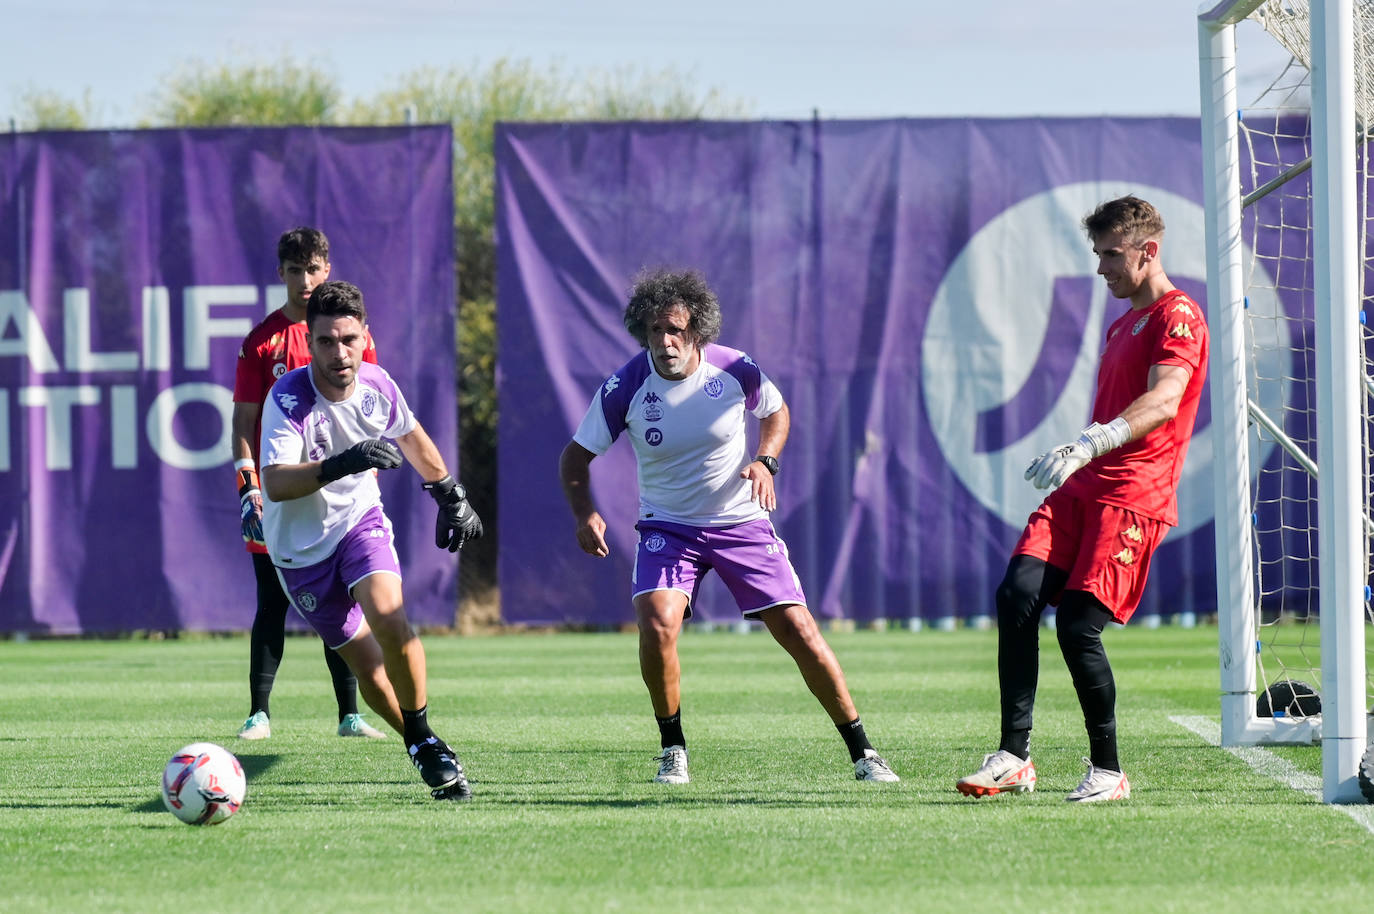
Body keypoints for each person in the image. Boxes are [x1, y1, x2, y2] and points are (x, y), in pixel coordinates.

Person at [558, 268, 898, 785]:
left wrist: (766, 461)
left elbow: (777, 413)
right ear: (643, 333)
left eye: (677, 330)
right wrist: (585, 513)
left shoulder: (734, 368)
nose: (667, 342)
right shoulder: (626, 386)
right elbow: (573, 459)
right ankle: (673, 749)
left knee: (799, 629)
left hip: (739, 520)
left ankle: (863, 751)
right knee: (657, 624)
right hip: (668, 527)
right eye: (656, 331)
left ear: (697, 331)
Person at [955, 195, 1209, 802]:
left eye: (1112, 255)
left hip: (1132, 492)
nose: (1102, 269)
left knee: (1076, 626)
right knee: (1016, 595)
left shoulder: (1180, 316)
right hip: (1086, 483)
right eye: (1097, 255)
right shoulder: (1124, 321)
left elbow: (1167, 398)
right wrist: (1083, 452)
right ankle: (1013, 756)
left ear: (1149, 251)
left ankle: (1108, 771)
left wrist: (1093, 439)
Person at [258, 279, 484, 800]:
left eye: (349, 340)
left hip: (359, 522)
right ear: (308, 342)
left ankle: (422, 736)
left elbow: (412, 436)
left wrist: (450, 492)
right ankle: (422, 743)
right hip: (299, 554)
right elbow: (277, 483)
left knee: (389, 615)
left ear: (365, 337)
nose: (339, 353)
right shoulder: (288, 397)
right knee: (369, 670)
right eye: (326, 342)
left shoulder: (378, 385)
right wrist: (343, 462)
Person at [231, 227, 386, 741]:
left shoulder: (347, 335)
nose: (305, 280)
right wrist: (248, 487)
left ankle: (349, 714)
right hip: (280, 492)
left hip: (338, 496)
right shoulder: (263, 342)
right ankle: (259, 713)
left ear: (328, 268)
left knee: (343, 599)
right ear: (281, 274)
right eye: (295, 270)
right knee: (271, 601)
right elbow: (243, 424)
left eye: (314, 268)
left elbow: (369, 409)